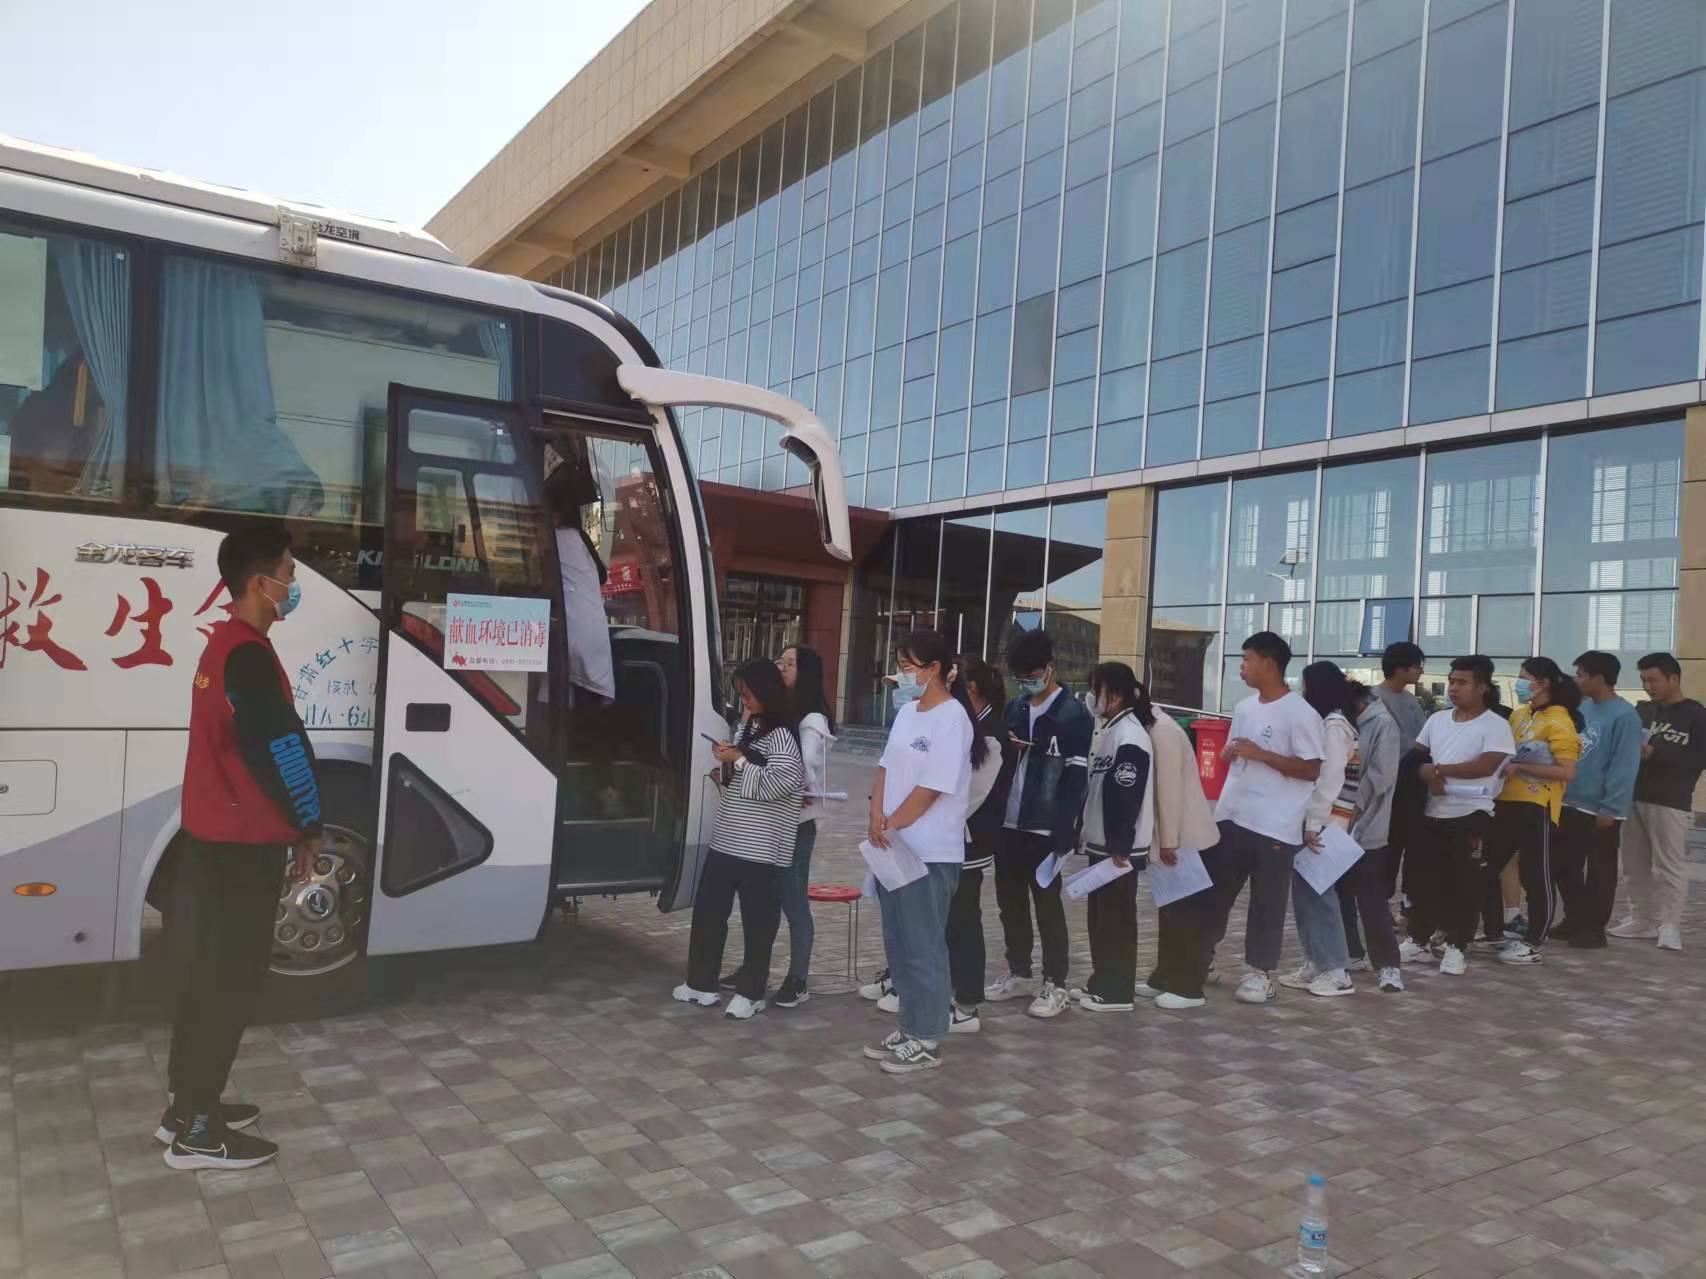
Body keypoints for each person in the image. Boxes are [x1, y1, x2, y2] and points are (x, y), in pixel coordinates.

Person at [164, 526, 324, 1170]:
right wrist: (309, 825)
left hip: (211, 840)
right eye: (289, 571)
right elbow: (282, 749)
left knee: (205, 978)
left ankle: (184, 1107)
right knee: (228, 983)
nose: (295, 582)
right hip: (241, 846)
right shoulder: (249, 656)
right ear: (261, 583)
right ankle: (198, 1133)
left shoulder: (224, 644)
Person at [865, 629, 982, 1074]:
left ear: (935, 668)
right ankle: (910, 1025)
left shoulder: (953, 717)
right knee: (899, 944)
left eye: (908, 667)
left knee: (924, 945)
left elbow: (933, 787)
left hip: (930, 851)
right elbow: (885, 767)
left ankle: (929, 1036)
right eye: (900, 666)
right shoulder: (907, 713)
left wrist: (892, 822)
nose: (902, 674)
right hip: (893, 846)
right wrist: (876, 815)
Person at [1199, 632, 1325, 1006]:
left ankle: (1259, 973)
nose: (1241, 667)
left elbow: (1311, 769)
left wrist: (1263, 754)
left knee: (1267, 903)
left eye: (1247, 659)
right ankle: (1200, 959)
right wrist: (1230, 752)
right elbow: (1240, 754)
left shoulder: (1301, 713)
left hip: (1275, 824)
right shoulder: (1244, 708)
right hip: (1233, 815)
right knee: (1213, 896)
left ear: (1269, 662)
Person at [674, 659, 804, 1019]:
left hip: (760, 848)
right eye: (741, 694)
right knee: (708, 913)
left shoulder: (783, 735)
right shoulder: (750, 728)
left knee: (757, 923)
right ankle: (701, 983)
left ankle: (751, 992)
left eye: (748, 694)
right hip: (727, 839)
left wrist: (740, 760)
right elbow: (747, 779)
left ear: (766, 692)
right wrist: (727, 767)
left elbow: (780, 783)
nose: (743, 700)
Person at [985, 629, 1093, 1019]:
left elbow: (1076, 777)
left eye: (1031, 674)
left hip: (1045, 827)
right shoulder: (1015, 708)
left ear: (1050, 668)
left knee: (1047, 906)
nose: (1026, 682)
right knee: (1010, 904)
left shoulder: (1073, 715)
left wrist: (1066, 831)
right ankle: (1020, 972)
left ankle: (1055, 983)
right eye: (1019, 676)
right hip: (1009, 823)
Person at [1400, 656, 1516, 976]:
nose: (1453, 688)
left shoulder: (1495, 725)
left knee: (1465, 884)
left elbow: (1487, 765)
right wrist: (1425, 772)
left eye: (1462, 682)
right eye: (1452, 681)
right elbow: (1416, 758)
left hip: (1472, 813)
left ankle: (1456, 945)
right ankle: (1419, 939)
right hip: (1433, 812)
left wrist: (1438, 770)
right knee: (1423, 879)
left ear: (1482, 687)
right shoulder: (1437, 720)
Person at [1482, 658, 1582, 966]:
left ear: (1543, 683)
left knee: (1536, 874)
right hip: (1504, 802)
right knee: (1488, 867)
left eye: (1524, 678)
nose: (1519, 683)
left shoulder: (1560, 720)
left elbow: (1567, 772)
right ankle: (1494, 931)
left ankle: (1534, 941)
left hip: (1537, 806)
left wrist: (1521, 767)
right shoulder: (1519, 715)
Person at [1073, 663, 1156, 1012]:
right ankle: (1101, 980)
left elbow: (1126, 794)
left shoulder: (1131, 736)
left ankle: (1117, 991)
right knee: (1100, 919)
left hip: (1118, 848)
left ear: (1118, 695)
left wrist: (1120, 846)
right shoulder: (1110, 730)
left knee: (1116, 921)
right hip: (1101, 843)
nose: (1092, 697)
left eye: (1097, 690)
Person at [1550, 651, 1644, 950]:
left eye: (1580, 675)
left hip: (1600, 808)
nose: (1576, 680)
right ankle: (1575, 917)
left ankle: (1594, 928)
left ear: (1599, 677)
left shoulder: (1624, 716)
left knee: (1600, 872)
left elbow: (1624, 766)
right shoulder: (1581, 708)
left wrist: (1611, 808)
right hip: (1568, 802)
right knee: (1562, 865)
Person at [1613, 652, 1706, 951]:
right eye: (1643, 680)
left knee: (1669, 866)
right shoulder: (1642, 711)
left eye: (1653, 680)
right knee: (1633, 864)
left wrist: (1657, 754)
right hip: (1633, 796)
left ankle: (1670, 926)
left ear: (1673, 678)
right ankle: (1641, 919)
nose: (1647, 686)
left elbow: (1699, 759)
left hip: (1671, 800)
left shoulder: (1696, 715)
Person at [1280, 662, 1359, 999]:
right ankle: (1317, 961)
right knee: (1306, 895)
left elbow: (1329, 780)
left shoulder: (1335, 726)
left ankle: (1336, 970)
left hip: (1326, 823)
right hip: (1320, 821)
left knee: (1320, 895)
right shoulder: (1330, 723)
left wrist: (1313, 824)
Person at [946, 656, 1016, 1034]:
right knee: (948, 919)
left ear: (970, 688)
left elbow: (969, 795)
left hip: (968, 841)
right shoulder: (967, 725)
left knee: (963, 920)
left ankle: (967, 1003)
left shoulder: (991, 733)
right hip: (950, 837)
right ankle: (949, 994)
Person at [1141, 696, 1221, 1011]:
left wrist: (1169, 841)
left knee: (1185, 916)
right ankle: (1164, 977)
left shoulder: (1163, 731)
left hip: (1182, 840)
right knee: (1169, 911)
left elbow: (1169, 789)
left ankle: (1187, 988)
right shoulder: (1152, 727)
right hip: (1169, 838)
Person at [768, 645, 837, 1006]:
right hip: (771, 817)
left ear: (806, 673)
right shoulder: (779, 711)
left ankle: (798, 978)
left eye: (790, 664)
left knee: (793, 900)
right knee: (764, 897)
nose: (782, 668)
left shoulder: (812, 719)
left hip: (796, 823)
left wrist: (794, 781)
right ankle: (754, 967)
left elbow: (805, 764)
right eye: (781, 662)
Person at [1337, 683, 1404, 992]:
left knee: (1371, 901)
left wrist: (1352, 806)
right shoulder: (1346, 723)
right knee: (1339, 896)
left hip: (1367, 827)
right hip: (1338, 824)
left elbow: (1381, 775)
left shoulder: (1383, 724)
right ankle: (1351, 953)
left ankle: (1388, 967)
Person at [1375, 642, 1427, 910]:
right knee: (1389, 848)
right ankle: (1380, 905)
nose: (1420, 671)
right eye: (1417, 666)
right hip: (1386, 787)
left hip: (1414, 784)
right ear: (1400, 668)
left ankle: (1411, 903)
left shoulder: (1410, 700)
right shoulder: (1374, 699)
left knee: (1417, 847)